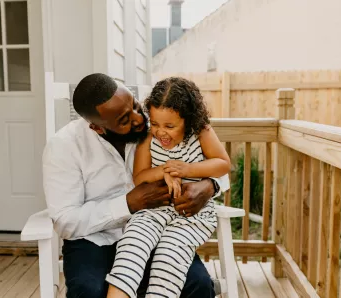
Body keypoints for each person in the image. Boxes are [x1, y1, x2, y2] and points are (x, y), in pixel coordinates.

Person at [42, 73, 229, 298]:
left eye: (135, 106)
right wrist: (128, 204)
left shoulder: (160, 122)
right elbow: (65, 220)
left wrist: (208, 186)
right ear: (98, 128)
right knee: (88, 291)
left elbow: (216, 165)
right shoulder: (64, 147)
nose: (139, 119)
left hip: (159, 233)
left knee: (197, 284)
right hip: (94, 240)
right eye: (124, 120)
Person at [106, 77, 231, 298]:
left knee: (169, 256)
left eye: (169, 126)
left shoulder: (201, 131)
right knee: (131, 244)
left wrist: (186, 170)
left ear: (188, 119)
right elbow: (140, 177)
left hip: (191, 216)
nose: (160, 132)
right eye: (155, 124)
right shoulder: (147, 136)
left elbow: (223, 164)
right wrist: (164, 170)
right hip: (155, 209)